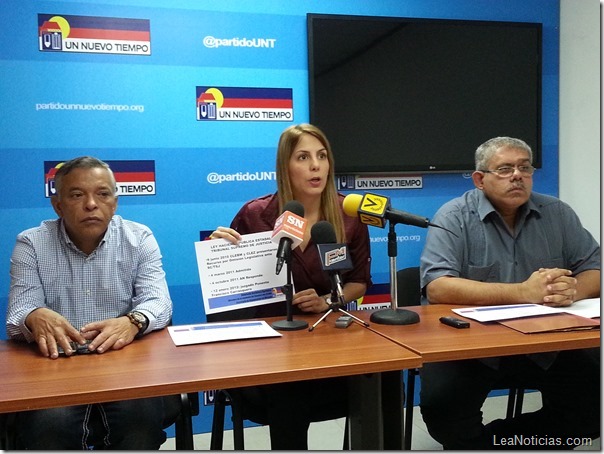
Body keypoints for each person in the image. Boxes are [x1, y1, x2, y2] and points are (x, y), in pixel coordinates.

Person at [419, 137, 600, 449]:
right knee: (444, 413)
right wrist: (523, 292)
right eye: (504, 169)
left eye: (524, 168)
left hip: (546, 344)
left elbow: (594, 268)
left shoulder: (557, 213)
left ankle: (499, 444)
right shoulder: (454, 216)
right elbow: (438, 286)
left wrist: (571, 290)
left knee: (594, 409)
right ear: (480, 179)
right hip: (473, 348)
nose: (517, 175)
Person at [209, 123, 372, 449]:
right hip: (271, 349)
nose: (316, 166)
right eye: (303, 157)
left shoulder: (348, 215)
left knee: (377, 381)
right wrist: (219, 252)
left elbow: (358, 283)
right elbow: (229, 291)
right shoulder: (256, 214)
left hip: (327, 342)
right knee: (291, 387)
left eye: (322, 156)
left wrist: (328, 301)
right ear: (286, 166)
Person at [6, 156, 173, 450]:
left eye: (102, 194)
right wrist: (35, 315)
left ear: (115, 203)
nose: (91, 204)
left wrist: (133, 321)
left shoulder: (139, 237)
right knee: (49, 428)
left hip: (123, 363)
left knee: (139, 425)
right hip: (56, 367)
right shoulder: (31, 243)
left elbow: (158, 300)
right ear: (58, 206)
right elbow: (19, 310)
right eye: (76, 195)